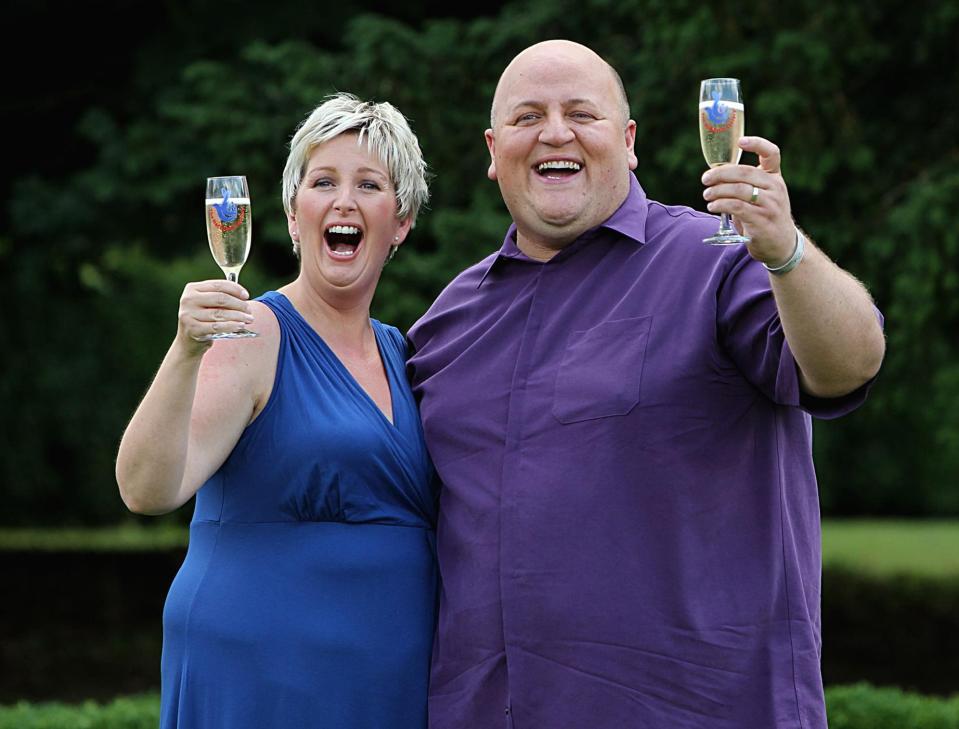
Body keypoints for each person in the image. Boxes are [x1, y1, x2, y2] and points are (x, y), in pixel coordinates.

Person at [407, 40, 885, 729]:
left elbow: (848, 362)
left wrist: (786, 250)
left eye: (581, 113)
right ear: (492, 148)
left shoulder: (716, 263)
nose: (554, 132)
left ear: (627, 141)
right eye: (526, 117)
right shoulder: (446, 323)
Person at [116, 93, 436, 728]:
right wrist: (185, 352)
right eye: (323, 182)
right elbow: (147, 489)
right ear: (294, 216)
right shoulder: (256, 333)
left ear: (399, 221)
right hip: (265, 672)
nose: (343, 201)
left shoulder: (409, 353)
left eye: (369, 184)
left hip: (389, 676)